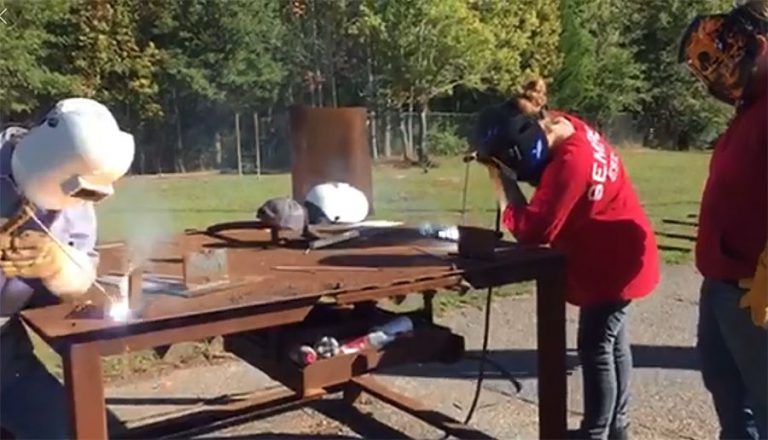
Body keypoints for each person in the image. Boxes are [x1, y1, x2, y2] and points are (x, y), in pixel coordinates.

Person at [471, 85, 660, 440]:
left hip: (611, 265)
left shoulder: (571, 163)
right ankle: (618, 428)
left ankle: (596, 433)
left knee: (596, 348)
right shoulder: (568, 125)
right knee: (613, 344)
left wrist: (501, 180)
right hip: (618, 255)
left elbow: (532, 230)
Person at [0, 98, 133, 438]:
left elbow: (82, 267)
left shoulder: (76, 194)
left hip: (4, 348)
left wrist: (57, 264)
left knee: (76, 432)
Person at [679, 1, 768, 438]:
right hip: (721, 281)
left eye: (724, 64)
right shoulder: (751, 107)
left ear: (760, 47)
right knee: (728, 390)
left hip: (753, 290)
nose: (718, 78)